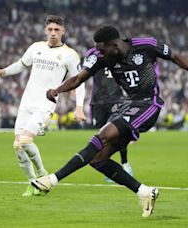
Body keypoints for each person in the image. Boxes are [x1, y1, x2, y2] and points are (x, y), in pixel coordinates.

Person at [31, 25, 188, 217]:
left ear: (115, 45)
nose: (100, 54)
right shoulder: (103, 58)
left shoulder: (146, 45)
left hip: (149, 105)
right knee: (98, 159)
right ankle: (145, 192)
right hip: (128, 105)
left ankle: (52, 180)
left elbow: (175, 57)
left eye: (103, 50)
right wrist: (57, 90)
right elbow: (79, 79)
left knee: (103, 135)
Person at [0, 15, 86, 196]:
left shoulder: (70, 55)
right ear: (45, 30)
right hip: (26, 102)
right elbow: (21, 64)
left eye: (57, 30)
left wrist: (79, 106)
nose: (53, 33)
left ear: (63, 31)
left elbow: (79, 81)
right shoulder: (36, 48)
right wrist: (2, 72)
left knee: (26, 141)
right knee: (18, 146)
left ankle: (42, 174)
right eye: (50, 29)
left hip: (45, 104)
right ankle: (33, 182)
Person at [90, 68, 133, 182]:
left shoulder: (115, 54)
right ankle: (109, 167)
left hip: (115, 99)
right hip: (98, 100)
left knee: (118, 132)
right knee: (102, 136)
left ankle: (125, 164)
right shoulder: (93, 55)